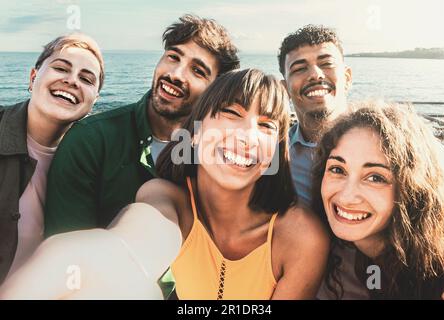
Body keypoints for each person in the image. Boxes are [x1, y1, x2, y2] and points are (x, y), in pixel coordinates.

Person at [0, 69, 329, 300]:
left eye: (267, 125)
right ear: (196, 132)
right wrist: (100, 262)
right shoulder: (166, 198)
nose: (247, 135)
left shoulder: (300, 238)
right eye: (231, 113)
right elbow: (134, 242)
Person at [44, 14, 240, 236]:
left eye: (198, 71)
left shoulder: (219, 154)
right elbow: (67, 250)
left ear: (215, 92)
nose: (175, 74)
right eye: (173, 57)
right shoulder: (90, 140)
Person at [311, 101, 444, 299]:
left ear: (412, 190)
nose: (347, 196)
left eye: (375, 177)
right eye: (337, 169)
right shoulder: (324, 249)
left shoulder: (440, 268)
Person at [0, 33, 104, 284]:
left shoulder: (96, 161)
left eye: (86, 79)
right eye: (61, 68)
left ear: (94, 101)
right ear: (33, 77)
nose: (71, 81)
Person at [278, 24, 352, 206]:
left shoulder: (383, 143)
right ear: (285, 88)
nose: (315, 74)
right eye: (299, 68)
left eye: (326, 64)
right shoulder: (276, 155)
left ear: (347, 78)